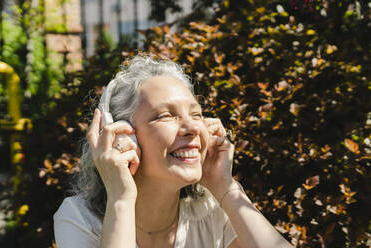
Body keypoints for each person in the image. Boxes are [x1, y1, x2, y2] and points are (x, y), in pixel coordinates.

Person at [54, 55, 293, 248]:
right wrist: (121, 200)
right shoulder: (79, 218)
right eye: (165, 115)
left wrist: (226, 188)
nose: (191, 128)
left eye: (196, 114)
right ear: (123, 136)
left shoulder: (211, 211)